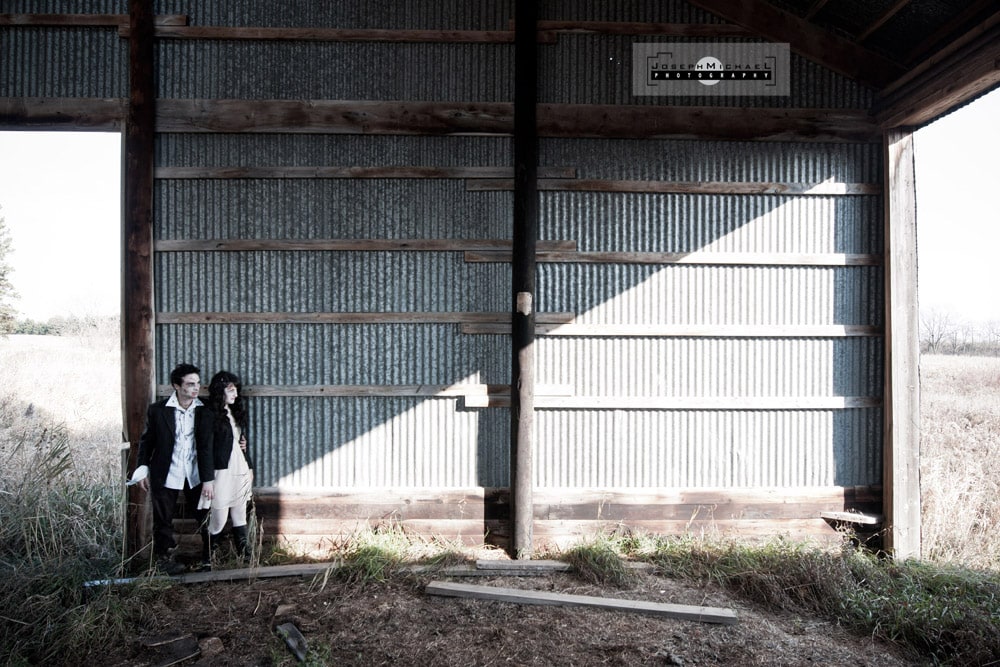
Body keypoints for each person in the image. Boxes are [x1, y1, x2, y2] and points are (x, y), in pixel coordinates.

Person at [132, 363, 209, 575]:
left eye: (198, 384)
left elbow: (220, 435)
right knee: (163, 519)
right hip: (166, 473)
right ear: (176, 385)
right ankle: (165, 560)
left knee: (204, 514)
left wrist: (241, 442)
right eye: (190, 384)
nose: (196, 388)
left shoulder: (205, 409)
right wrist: (142, 469)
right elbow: (147, 442)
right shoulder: (158, 410)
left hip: (196, 474)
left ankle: (210, 557)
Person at [196, 370, 254, 567]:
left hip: (240, 469)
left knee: (239, 514)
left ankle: (246, 557)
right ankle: (207, 559)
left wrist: (250, 467)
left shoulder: (234, 413)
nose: (235, 394)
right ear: (219, 390)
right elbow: (204, 448)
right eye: (231, 389)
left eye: (236, 389)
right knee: (219, 517)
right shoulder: (208, 413)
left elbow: (241, 444)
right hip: (220, 473)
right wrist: (207, 480)